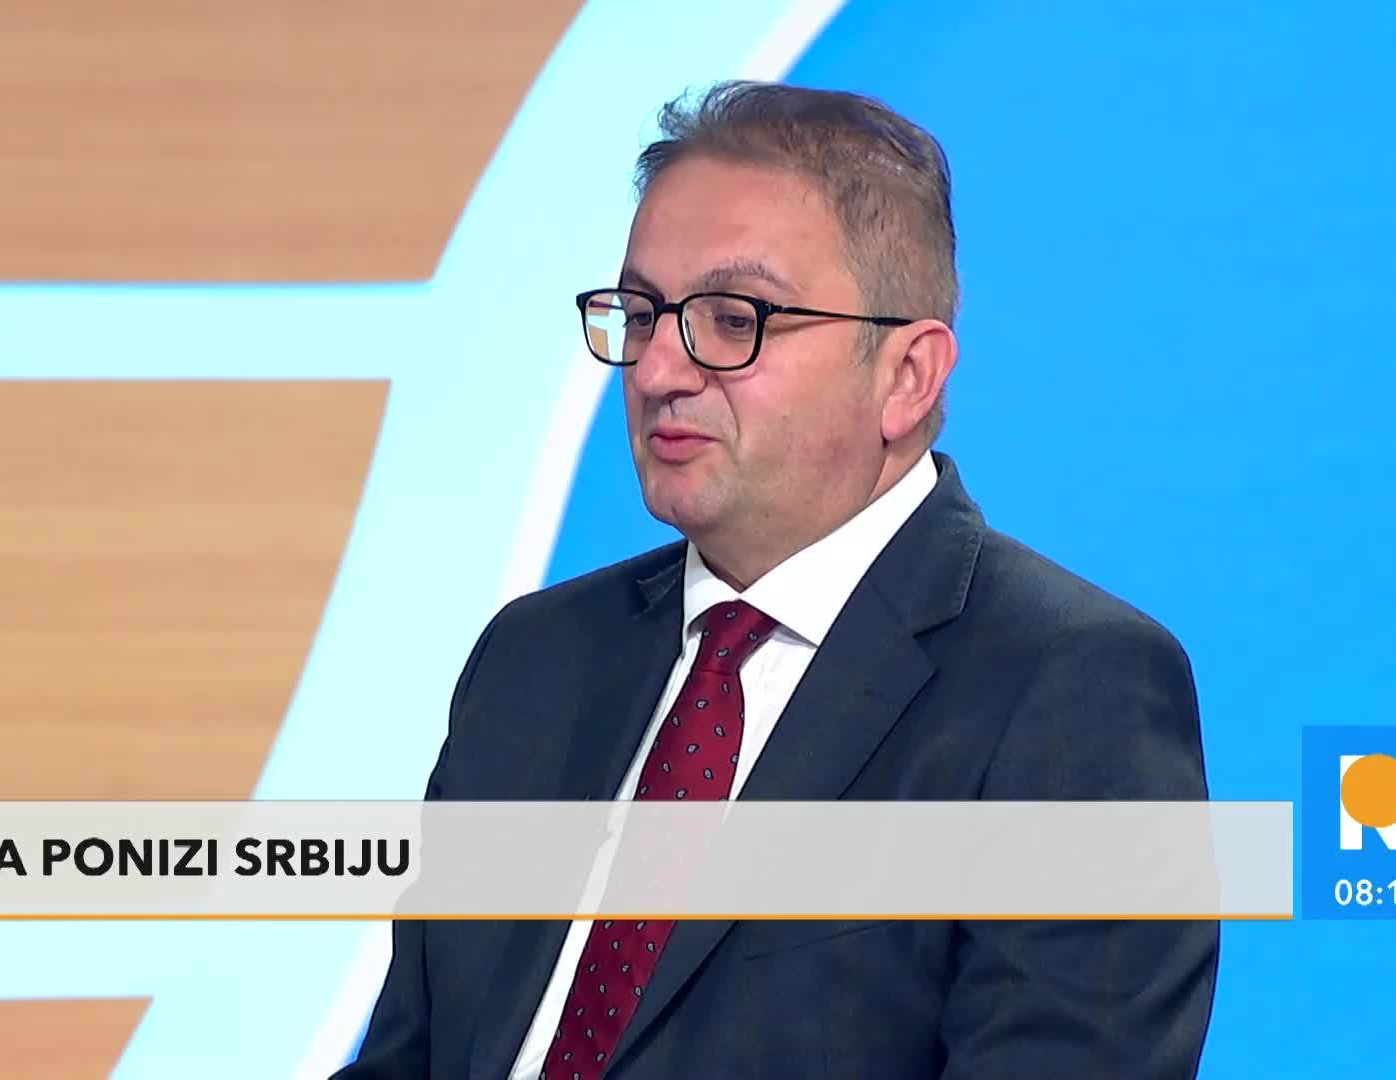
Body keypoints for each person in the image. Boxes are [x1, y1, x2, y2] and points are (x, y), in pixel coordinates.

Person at [337, 80, 1216, 1080]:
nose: (658, 370)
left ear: (907, 376)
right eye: (642, 314)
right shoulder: (534, 661)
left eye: (733, 318)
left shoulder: (1071, 691)